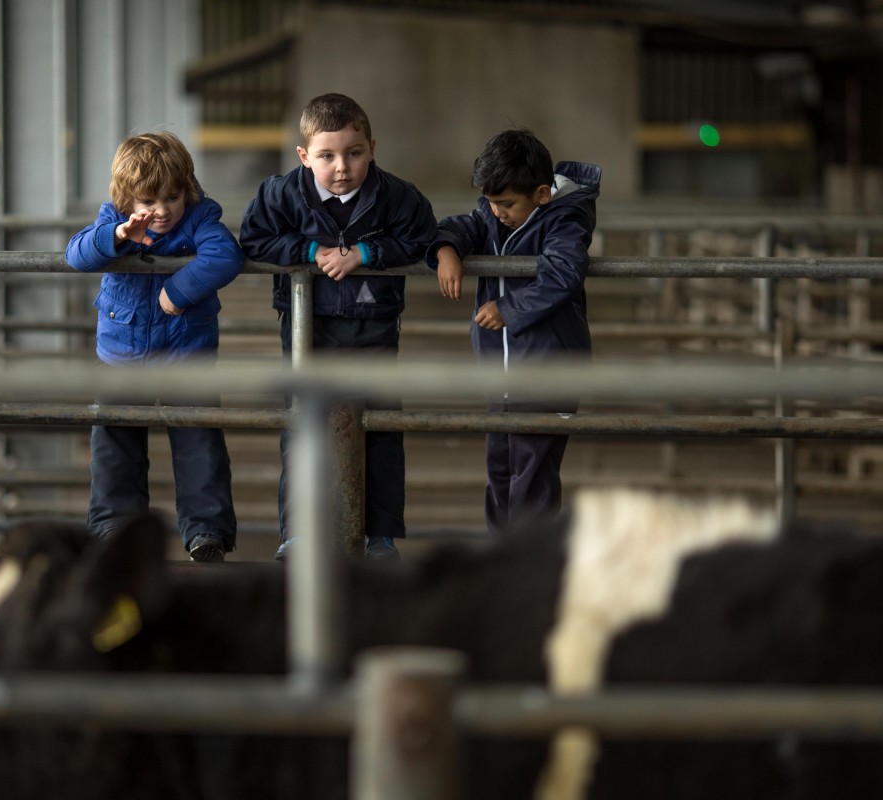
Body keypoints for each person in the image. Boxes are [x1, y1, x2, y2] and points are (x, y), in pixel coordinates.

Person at [239, 93, 437, 562]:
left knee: (381, 427)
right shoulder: (280, 194)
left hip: (373, 327)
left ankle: (380, 535)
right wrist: (310, 252)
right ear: (304, 156)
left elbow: (422, 238)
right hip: (307, 329)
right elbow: (254, 239)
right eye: (326, 156)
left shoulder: (397, 196)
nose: (342, 167)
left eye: (354, 153)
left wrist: (366, 253)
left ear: (372, 147)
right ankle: (300, 531)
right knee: (303, 427)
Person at [65, 131, 243, 562]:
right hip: (122, 354)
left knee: (199, 443)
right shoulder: (113, 219)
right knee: (115, 443)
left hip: (187, 353)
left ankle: (207, 533)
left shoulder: (199, 218)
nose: (161, 210)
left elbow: (225, 255)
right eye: (148, 201)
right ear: (126, 198)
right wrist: (117, 235)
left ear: (188, 190)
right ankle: (115, 528)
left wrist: (178, 291)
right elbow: (76, 255)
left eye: (172, 197)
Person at [427, 128, 601, 536]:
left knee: (533, 476)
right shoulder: (494, 215)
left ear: (541, 194)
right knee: (501, 471)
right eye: (491, 201)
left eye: (506, 204)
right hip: (501, 373)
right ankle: (501, 557)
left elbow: (563, 273)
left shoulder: (564, 220)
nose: (497, 212)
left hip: (546, 372)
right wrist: (445, 249)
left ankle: (530, 564)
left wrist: (508, 308)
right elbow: (464, 226)